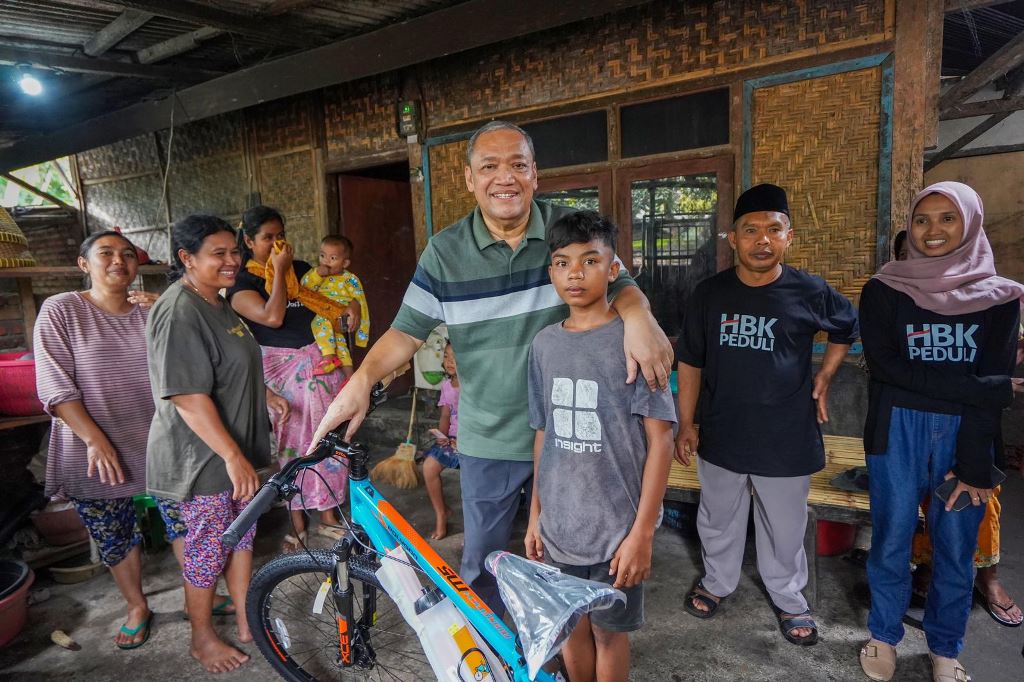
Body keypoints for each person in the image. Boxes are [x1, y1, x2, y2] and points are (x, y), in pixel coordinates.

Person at [311, 120, 673, 614]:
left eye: (518, 165)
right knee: (484, 566)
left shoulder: (567, 233)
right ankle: (497, 662)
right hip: (488, 439)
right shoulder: (445, 251)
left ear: (535, 174)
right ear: (468, 179)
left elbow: (620, 283)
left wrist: (640, 316)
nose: (505, 178)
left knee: (564, 567)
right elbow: (405, 332)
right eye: (490, 167)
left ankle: (558, 661)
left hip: (571, 442)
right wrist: (362, 379)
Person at [675, 183, 858, 646]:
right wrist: (686, 422)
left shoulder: (809, 290)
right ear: (732, 238)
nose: (762, 240)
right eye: (750, 230)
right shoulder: (709, 294)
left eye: (772, 230)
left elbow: (846, 326)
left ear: (788, 236)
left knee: (785, 524)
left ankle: (789, 596)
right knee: (717, 516)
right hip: (722, 429)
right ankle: (718, 581)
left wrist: (826, 376)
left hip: (786, 433)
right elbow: (691, 361)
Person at [857, 181, 1024, 682]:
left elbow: (990, 382)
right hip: (895, 431)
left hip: (968, 435)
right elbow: (887, 368)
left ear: (969, 224)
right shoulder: (884, 289)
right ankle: (884, 634)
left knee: (956, 549)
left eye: (947, 218)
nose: (933, 230)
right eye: (923, 219)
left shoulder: (999, 298)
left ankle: (945, 648)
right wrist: (981, 387)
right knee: (890, 539)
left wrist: (975, 458)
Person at [525, 211, 676, 682]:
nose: (575, 272)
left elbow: (662, 438)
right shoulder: (544, 346)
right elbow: (543, 434)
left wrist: (643, 533)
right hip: (561, 529)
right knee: (572, 628)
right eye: (562, 262)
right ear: (551, 272)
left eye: (590, 260)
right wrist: (536, 514)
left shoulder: (635, 343)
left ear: (614, 270)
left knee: (611, 634)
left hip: (617, 534)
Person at [146, 214, 289, 674]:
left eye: (235, 252)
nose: (232, 261)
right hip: (202, 457)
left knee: (242, 536)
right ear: (187, 258)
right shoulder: (179, 309)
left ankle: (248, 621)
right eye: (219, 254)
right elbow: (187, 396)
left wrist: (264, 394)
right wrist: (231, 455)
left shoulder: (218, 302)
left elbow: (231, 362)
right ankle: (201, 637)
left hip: (235, 451)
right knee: (207, 547)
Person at [33, 231, 180, 650]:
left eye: (127, 254)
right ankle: (138, 606)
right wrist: (96, 441)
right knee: (114, 531)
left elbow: (191, 363)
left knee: (185, 518)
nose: (119, 261)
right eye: (106, 253)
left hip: (160, 440)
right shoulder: (61, 310)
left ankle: (199, 595)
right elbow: (55, 387)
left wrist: (172, 311)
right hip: (92, 445)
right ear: (84, 265)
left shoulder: (152, 310)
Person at [228, 206, 354, 550]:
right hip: (281, 373)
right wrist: (280, 270)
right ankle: (297, 524)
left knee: (330, 437)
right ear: (250, 241)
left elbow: (333, 297)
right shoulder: (243, 282)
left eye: (280, 236)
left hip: (320, 363)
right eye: (267, 237)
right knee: (293, 446)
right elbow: (272, 317)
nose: (276, 243)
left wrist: (351, 306)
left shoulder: (301, 271)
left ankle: (328, 515)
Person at [300, 234, 370, 378]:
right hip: (326, 312)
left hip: (340, 316)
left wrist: (361, 336)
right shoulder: (316, 274)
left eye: (333, 258)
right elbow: (303, 288)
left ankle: (328, 358)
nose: (326, 261)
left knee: (319, 322)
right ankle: (350, 377)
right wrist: (317, 275)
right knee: (339, 342)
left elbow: (361, 303)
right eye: (322, 256)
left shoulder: (350, 279)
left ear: (345, 263)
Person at [421, 341, 462, 540]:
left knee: (472, 478)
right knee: (429, 467)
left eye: (454, 357)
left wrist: (462, 442)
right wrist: (443, 437)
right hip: (452, 441)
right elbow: (445, 416)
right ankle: (441, 513)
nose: (449, 361)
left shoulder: (472, 386)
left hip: (473, 442)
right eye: (446, 356)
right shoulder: (447, 385)